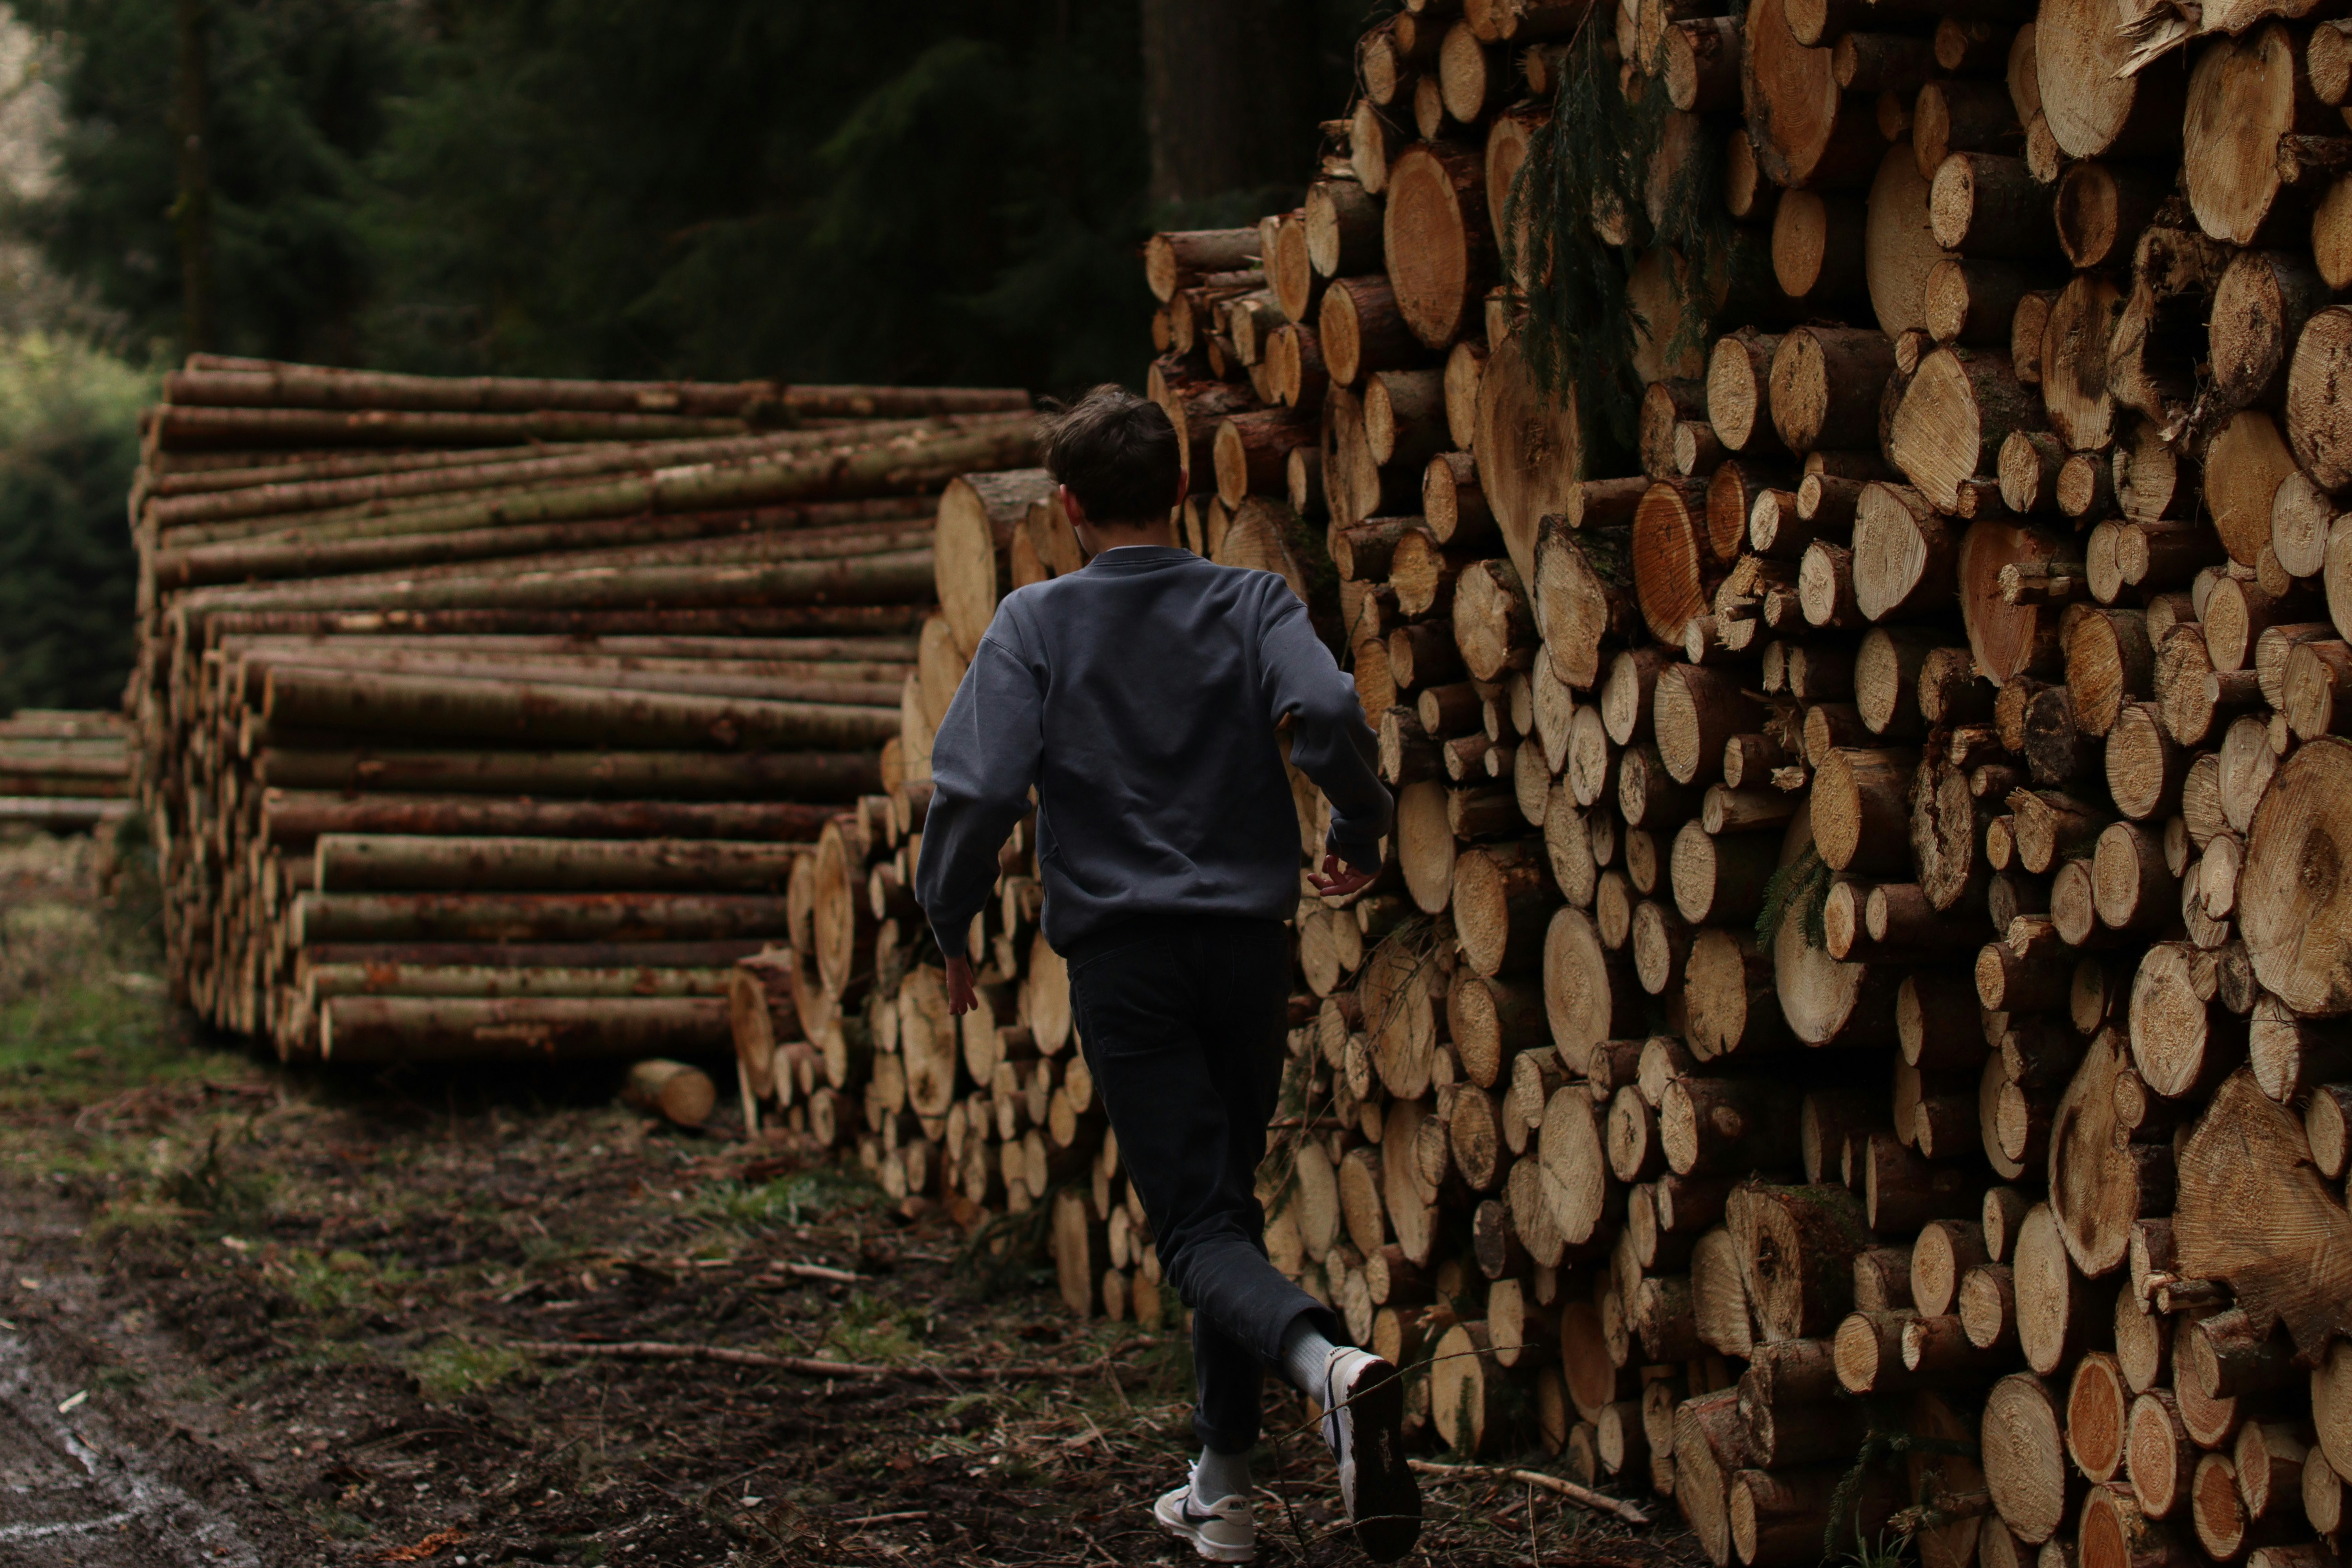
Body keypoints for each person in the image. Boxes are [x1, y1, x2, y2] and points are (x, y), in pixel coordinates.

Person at [913, 386, 1415, 1564]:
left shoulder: (1035, 623)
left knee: (1194, 1228)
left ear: (1071, 507)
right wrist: (1357, 825)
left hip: (1126, 962)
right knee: (1224, 1205)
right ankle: (1222, 1485)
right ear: (1181, 490)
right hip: (1247, 951)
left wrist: (951, 917)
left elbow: (978, 790)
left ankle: (1326, 1369)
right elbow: (1332, 705)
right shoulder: (1249, 599)